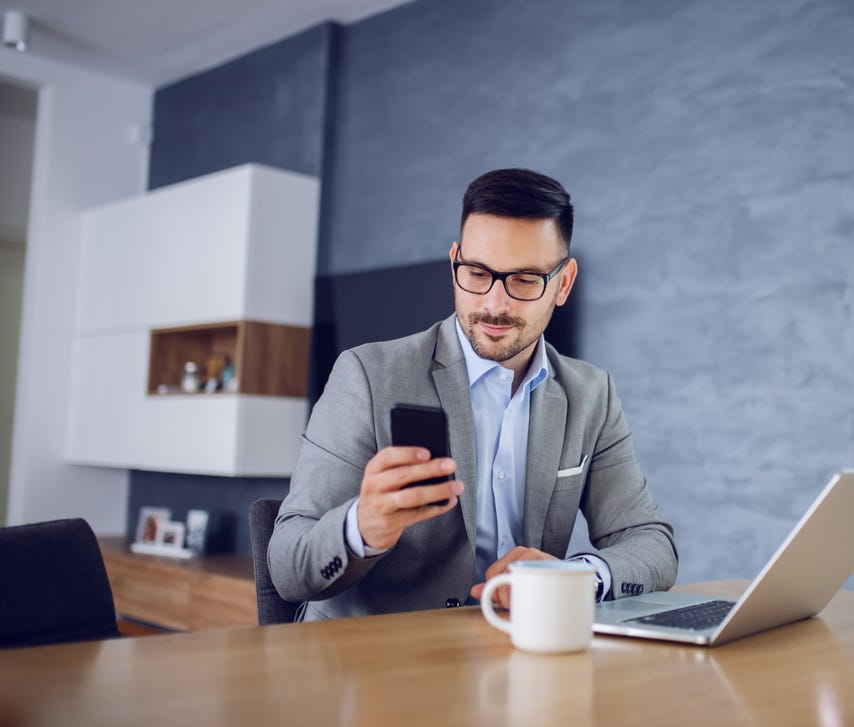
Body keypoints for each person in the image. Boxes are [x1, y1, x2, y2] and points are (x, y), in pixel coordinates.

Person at [269, 168, 677, 620]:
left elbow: (652, 544)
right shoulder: (367, 375)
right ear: (454, 264)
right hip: (375, 663)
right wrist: (361, 528)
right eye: (478, 273)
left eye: (524, 279)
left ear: (563, 283)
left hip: (515, 650)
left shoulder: (591, 394)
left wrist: (577, 577)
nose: (494, 304)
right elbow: (288, 568)